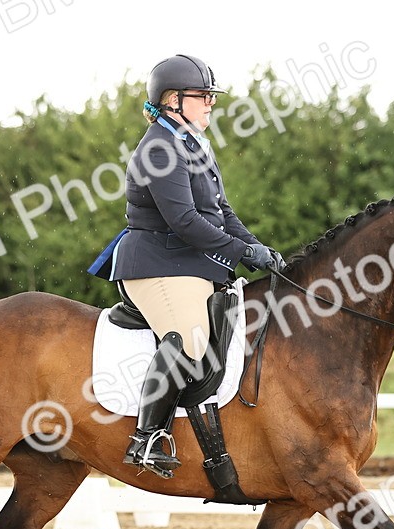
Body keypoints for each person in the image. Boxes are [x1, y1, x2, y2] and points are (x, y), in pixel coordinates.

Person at [102, 53, 279, 479]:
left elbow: (220, 211)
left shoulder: (192, 142)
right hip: (156, 265)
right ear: (171, 99)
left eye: (210, 97)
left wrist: (256, 246)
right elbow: (184, 222)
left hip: (188, 264)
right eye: (202, 96)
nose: (210, 104)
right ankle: (147, 438)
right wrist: (238, 252)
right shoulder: (159, 149)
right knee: (192, 340)